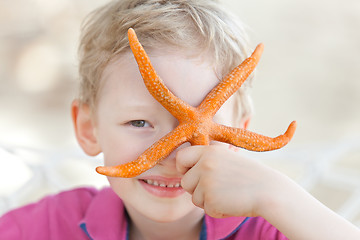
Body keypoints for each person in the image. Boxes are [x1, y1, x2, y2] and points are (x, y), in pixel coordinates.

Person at [1, 0, 359, 239]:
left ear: (238, 137)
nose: (175, 154)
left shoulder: (276, 226)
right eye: (139, 123)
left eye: (212, 124)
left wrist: (276, 195)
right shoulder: (46, 226)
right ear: (88, 128)